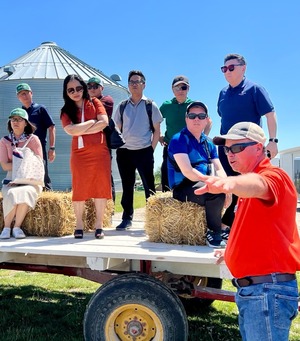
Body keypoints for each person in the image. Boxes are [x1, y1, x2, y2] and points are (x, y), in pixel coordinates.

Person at [194, 122, 300, 340]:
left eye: (236, 148)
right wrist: (233, 251)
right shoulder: (248, 188)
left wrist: (228, 184)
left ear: (259, 148)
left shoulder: (274, 177)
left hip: (266, 292)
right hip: (258, 292)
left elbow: (258, 183)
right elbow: (258, 230)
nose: (230, 154)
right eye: (226, 149)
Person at [217, 53, 278, 235]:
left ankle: (251, 227)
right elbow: (224, 118)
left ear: (243, 68)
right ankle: (229, 226)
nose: (227, 71)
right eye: (224, 69)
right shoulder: (222, 93)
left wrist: (273, 141)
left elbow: (270, 114)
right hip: (226, 149)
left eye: (231, 67)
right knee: (228, 186)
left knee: (248, 187)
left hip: (248, 149)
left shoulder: (255, 89)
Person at [168, 101, 231, 247]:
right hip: (183, 187)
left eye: (201, 116)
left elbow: (219, 168)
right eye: (192, 115)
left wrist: (226, 186)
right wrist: (215, 185)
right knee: (216, 193)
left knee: (230, 191)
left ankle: (225, 227)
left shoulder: (208, 143)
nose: (197, 119)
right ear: (186, 119)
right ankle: (214, 231)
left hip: (203, 182)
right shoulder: (179, 139)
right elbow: (188, 172)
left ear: (207, 120)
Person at [60, 74, 111, 239]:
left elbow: (104, 122)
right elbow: (70, 131)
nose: (75, 92)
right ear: (66, 92)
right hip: (79, 154)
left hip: (99, 152)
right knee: (79, 187)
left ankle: (99, 225)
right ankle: (79, 224)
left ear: (84, 87)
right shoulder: (66, 110)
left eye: (79, 88)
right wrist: (91, 123)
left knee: (100, 187)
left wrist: (81, 128)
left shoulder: (95, 102)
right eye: (71, 90)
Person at [113, 70, 163, 231]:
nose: (134, 84)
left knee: (149, 187)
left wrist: (151, 149)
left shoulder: (150, 105)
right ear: (128, 85)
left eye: (137, 81)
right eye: (131, 82)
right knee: (127, 187)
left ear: (144, 84)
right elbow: (116, 128)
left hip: (144, 151)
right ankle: (126, 218)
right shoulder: (122, 106)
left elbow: (157, 131)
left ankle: (153, 219)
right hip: (125, 152)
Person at [159, 75, 212, 192]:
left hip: (190, 148)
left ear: (188, 89)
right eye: (177, 88)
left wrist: (203, 138)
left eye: (183, 87)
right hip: (170, 148)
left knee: (191, 176)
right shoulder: (166, 105)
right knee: (166, 177)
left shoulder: (193, 106)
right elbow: (155, 121)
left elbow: (209, 122)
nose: (180, 91)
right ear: (172, 89)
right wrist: (159, 135)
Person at [0, 108, 44, 239]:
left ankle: (17, 228)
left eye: (19, 119)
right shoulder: (5, 141)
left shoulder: (33, 139)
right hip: (11, 177)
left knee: (27, 192)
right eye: (13, 119)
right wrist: (24, 162)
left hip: (30, 179)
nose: (16, 122)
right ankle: (7, 228)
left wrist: (20, 165)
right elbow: (4, 166)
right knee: (11, 193)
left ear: (26, 123)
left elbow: (39, 163)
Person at [16, 83, 56, 191]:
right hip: (24, 149)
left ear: (31, 93)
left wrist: (52, 148)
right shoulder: (20, 113)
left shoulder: (40, 109)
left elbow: (51, 127)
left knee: (42, 175)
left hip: (38, 148)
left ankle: (48, 197)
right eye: (21, 94)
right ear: (18, 97)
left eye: (25, 93)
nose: (24, 96)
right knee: (26, 176)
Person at [87, 76, 116, 202]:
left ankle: (109, 209)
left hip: (102, 144)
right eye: (89, 86)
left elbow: (90, 114)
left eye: (95, 86)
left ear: (102, 88)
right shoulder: (85, 102)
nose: (92, 89)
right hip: (88, 144)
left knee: (105, 176)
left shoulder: (107, 100)